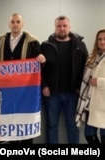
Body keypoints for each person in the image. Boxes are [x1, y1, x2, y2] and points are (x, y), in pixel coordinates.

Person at [0, 13, 46, 144]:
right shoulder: (2, 40)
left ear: (22, 24)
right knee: (9, 120)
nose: (15, 24)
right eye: (13, 22)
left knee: (25, 119)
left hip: (26, 90)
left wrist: (42, 59)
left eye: (18, 22)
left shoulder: (32, 42)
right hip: (6, 89)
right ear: (9, 24)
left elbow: (39, 63)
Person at [41, 15, 88, 144]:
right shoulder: (45, 46)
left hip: (73, 94)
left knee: (72, 126)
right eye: (59, 26)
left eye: (64, 25)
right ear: (54, 28)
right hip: (51, 94)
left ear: (69, 27)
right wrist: (44, 85)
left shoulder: (80, 45)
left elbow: (86, 68)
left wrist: (81, 87)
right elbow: (39, 69)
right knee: (52, 127)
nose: (62, 28)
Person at [76, 29, 105, 144]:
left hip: (103, 105)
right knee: (89, 135)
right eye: (100, 39)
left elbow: (95, 80)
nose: (102, 42)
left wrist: (99, 82)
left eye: (104, 39)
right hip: (91, 103)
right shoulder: (92, 58)